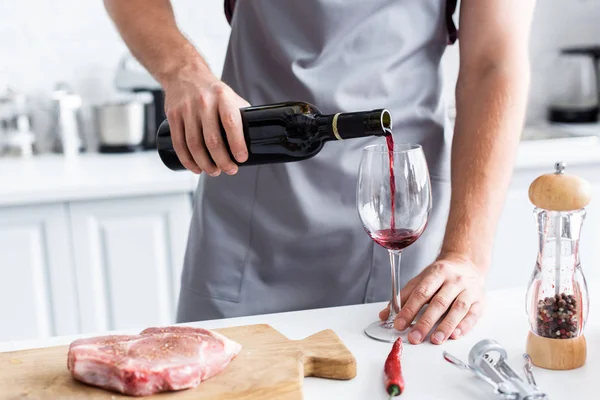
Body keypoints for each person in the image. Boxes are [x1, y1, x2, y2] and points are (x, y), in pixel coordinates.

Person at [104, 0, 535, 345]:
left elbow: (493, 64)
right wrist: (184, 73)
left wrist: (466, 255)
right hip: (249, 210)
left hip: (398, 218)